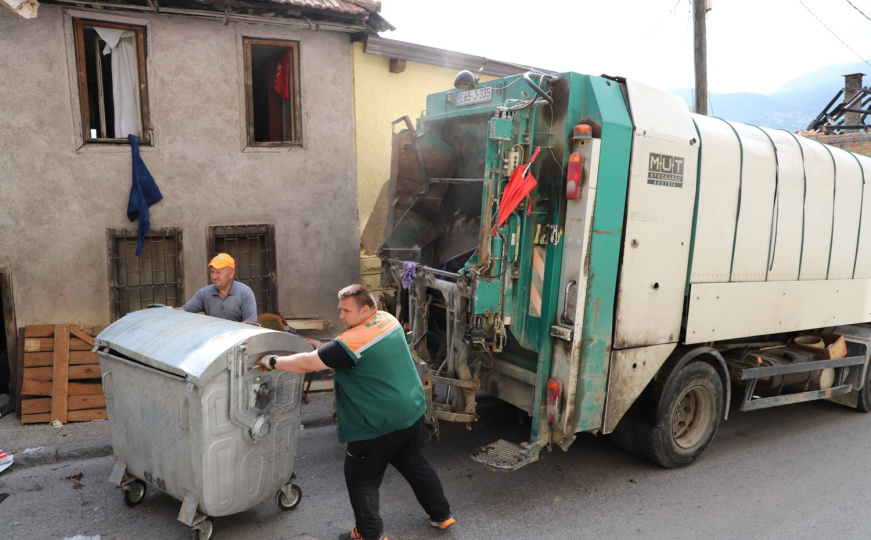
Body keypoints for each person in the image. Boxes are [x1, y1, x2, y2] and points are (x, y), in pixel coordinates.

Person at [260, 284, 454, 540]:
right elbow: (347, 350)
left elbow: (307, 363)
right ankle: (441, 515)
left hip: (378, 424)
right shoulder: (388, 319)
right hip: (412, 411)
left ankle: (369, 533)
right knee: (412, 462)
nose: (341, 317)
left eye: (346, 311)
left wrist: (272, 362)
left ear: (364, 309)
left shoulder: (351, 342)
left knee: (361, 479)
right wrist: (322, 346)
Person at [180, 253, 257, 323]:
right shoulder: (204, 293)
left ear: (231, 274)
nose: (214, 277)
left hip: (238, 337)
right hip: (214, 337)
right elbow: (183, 312)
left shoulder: (244, 292)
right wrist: (169, 312)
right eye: (212, 272)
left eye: (218, 272)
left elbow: (250, 323)